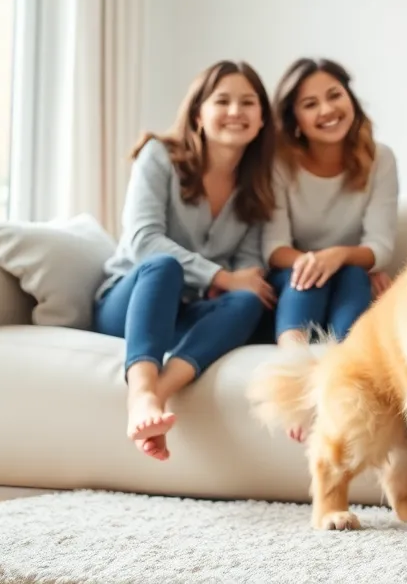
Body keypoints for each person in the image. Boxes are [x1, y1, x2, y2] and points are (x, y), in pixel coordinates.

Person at [95, 60, 279, 461]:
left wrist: (234, 282)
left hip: (189, 312)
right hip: (131, 303)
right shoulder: (159, 156)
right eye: (223, 101)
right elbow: (143, 241)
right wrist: (222, 277)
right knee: (164, 267)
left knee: (251, 300)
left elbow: (248, 267)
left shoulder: (259, 186)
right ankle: (140, 392)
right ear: (199, 113)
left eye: (248, 103)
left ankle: (158, 396)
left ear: (262, 118)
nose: (236, 111)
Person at [264, 57, 399, 352]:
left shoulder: (381, 159)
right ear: (294, 118)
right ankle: (293, 358)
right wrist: (318, 261)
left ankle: (346, 359)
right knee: (309, 275)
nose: (327, 110)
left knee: (351, 275)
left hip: (351, 275)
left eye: (335, 95)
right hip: (293, 277)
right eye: (310, 104)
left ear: (350, 98)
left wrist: (338, 256)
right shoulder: (279, 164)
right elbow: (274, 247)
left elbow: (380, 246)